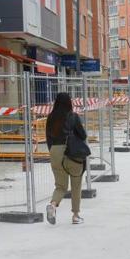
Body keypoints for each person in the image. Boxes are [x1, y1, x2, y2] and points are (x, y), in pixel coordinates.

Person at [45, 91, 88, 226]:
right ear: (69, 102)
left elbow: (48, 138)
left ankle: (53, 205)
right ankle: (75, 215)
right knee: (76, 185)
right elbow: (83, 135)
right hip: (72, 152)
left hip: (55, 152)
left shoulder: (50, 118)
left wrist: (54, 151)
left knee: (60, 186)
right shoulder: (73, 116)